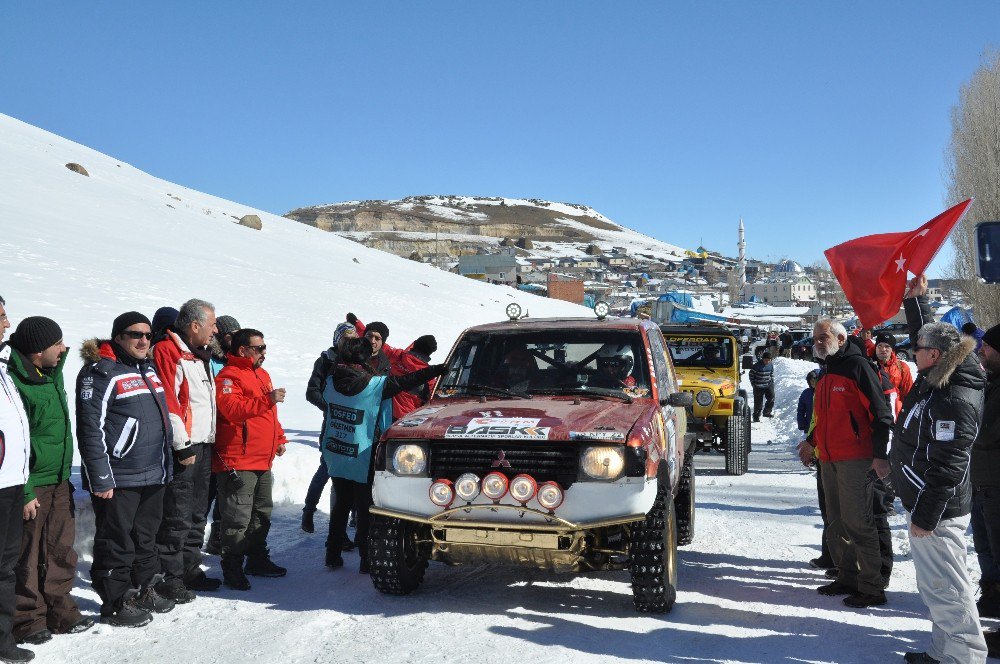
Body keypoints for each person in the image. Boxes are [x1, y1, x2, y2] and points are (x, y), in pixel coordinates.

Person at [891, 275, 988, 664]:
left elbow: (950, 463)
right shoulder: (939, 375)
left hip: (940, 510)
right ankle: (944, 651)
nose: (912, 353)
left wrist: (927, 515)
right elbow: (929, 334)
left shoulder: (953, 396)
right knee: (936, 586)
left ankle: (964, 657)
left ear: (934, 355)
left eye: (918, 350)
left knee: (948, 587)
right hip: (927, 502)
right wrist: (916, 302)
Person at [76, 312, 175, 627]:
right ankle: (115, 602)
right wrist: (100, 476)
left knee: (146, 537)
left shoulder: (148, 369)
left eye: (147, 335)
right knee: (116, 540)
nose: (144, 340)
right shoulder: (101, 373)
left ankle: (144, 589)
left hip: (153, 471)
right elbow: (90, 430)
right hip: (120, 476)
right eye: (135, 334)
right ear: (118, 337)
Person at [321, 337, 446, 572]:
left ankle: (332, 553)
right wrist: (436, 371)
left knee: (341, 504)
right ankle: (366, 560)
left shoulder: (330, 380)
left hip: (336, 449)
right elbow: (407, 381)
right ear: (364, 358)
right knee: (366, 507)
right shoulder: (375, 385)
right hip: (362, 452)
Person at [797, 318, 893, 609]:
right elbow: (825, 417)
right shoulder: (826, 370)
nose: (817, 342)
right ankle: (847, 576)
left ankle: (872, 587)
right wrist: (811, 442)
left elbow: (881, 414)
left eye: (823, 337)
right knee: (836, 523)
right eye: (815, 338)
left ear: (841, 339)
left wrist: (880, 455)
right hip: (828, 458)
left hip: (856, 459)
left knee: (858, 522)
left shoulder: (858, 367)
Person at [5, 318, 92, 644]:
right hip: (32, 484)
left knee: (60, 550)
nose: (64, 348)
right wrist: (25, 491)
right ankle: (27, 619)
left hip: (58, 481)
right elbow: (15, 443)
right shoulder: (16, 382)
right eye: (57, 343)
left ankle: (61, 612)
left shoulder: (50, 375)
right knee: (27, 556)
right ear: (38, 351)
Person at [152, 299, 219, 603]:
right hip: (186, 446)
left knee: (196, 511)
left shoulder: (197, 354)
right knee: (177, 513)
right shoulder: (169, 351)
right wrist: (182, 444)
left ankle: (190, 567)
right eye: (212, 324)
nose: (215, 330)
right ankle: (170, 576)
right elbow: (169, 401)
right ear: (195, 326)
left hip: (203, 443)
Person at [214, 328, 288, 591]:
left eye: (265, 347)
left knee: (261, 513)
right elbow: (232, 410)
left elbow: (269, 415)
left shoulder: (261, 374)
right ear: (243, 350)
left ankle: (256, 559)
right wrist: (266, 399)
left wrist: (278, 438)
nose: (263, 353)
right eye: (259, 348)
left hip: (262, 458)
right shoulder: (228, 376)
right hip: (238, 459)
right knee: (237, 517)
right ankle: (232, 567)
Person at [302, 322, 358, 560]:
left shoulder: (359, 360)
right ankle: (309, 512)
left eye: (353, 338)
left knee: (349, 478)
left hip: (355, 426)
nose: (350, 342)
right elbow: (311, 391)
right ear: (337, 339)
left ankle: (345, 528)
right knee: (327, 470)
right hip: (333, 425)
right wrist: (331, 408)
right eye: (346, 338)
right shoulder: (326, 360)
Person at [0, 297, 35, 663]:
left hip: (10, 483)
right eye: (1, 318)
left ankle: (2, 640)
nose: (7, 326)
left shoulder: (3, 369)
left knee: (5, 564)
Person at [204, 314, 240, 557]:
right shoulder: (210, 359)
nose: (233, 339)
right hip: (210, 430)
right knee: (206, 489)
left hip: (227, 433)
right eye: (229, 335)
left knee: (223, 489)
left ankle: (217, 535)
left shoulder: (233, 359)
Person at [974, 324, 1000, 655]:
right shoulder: (991, 383)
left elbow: (988, 433)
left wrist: (965, 430)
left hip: (996, 482)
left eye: (988, 348)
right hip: (985, 482)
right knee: (989, 551)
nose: (983, 351)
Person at [874, 332, 914, 416]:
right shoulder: (868, 365)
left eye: (887, 346)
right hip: (875, 414)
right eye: (879, 346)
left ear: (892, 349)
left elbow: (908, 394)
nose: (883, 349)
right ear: (875, 347)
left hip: (896, 414)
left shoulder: (902, 367)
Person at [749, 352, 774, 422]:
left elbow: (771, 373)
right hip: (758, 386)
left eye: (769, 360)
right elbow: (751, 375)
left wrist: (772, 381)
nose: (767, 361)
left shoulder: (770, 365)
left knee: (771, 398)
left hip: (768, 385)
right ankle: (756, 416)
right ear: (763, 359)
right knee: (758, 403)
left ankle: (767, 412)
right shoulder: (756, 366)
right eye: (766, 360)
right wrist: (753, 384)